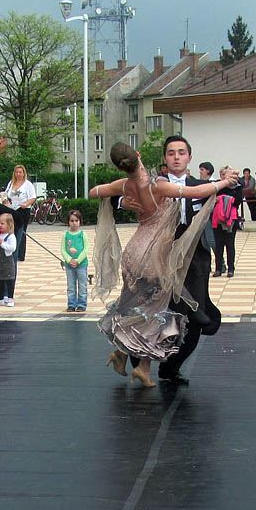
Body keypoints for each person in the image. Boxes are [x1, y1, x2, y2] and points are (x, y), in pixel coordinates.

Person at [90, 139, 238, 387]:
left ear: (190, 157)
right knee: (155, 311)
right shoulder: (158, 184)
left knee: (144, 308)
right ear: (160, 157)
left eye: (181, 152)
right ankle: (142, 365)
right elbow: (200, 193)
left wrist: (228, 180)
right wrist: (122, 202)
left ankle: (132, 356)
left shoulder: (131, 183)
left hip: (161, 254)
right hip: (155, 257)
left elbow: (95, 191)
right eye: (171, 153)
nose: (176, 157)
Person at [212, 165, 243, 278]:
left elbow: (237, 201)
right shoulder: (217, 185)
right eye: (225, 174)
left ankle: (231, 269)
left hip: (231, 218)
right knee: (218, 245)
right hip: (217, 218)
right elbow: (211, 199)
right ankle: (218, 268)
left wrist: (225, 199)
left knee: (230, 244)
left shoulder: (237, 187)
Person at [5, 165, 36, 261]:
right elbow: (6, 195)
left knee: (21, 232)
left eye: (20, 172)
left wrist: (26, 204)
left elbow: (32, 197)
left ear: (23, 173)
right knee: (11, 231)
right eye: (16, 172)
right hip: (12, 210)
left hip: (23, 210)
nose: (18, 174)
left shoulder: (28, 184)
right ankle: (12, 251)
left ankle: (20, 254)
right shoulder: (11, 183)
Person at [62, 209, 88, 312]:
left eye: (76, 220)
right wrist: (69, 260)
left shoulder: (82, 234)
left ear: (80, 221)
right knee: (71, 286)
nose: (74, 223)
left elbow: (86, 249)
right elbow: (63, 250)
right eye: (72, 221)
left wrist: (78, 260)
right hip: (69, 266)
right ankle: (71, 304)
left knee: (82, 285)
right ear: (68, 222)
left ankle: (82, 304)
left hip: (81, 264)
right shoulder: (65, 235)